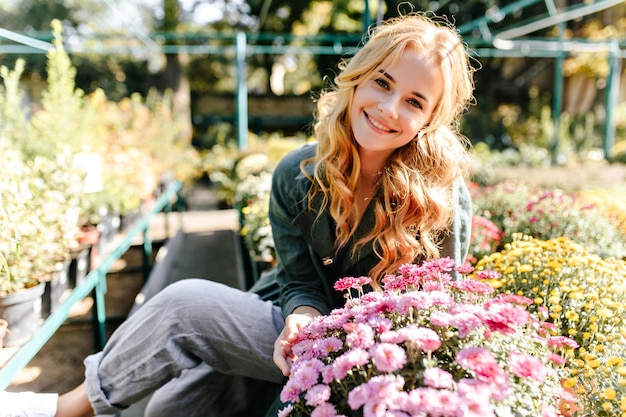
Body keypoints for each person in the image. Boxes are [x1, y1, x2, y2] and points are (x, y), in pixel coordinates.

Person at [1, 11, 475, 417]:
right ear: (358, 78)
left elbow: (437, 310)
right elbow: (299, 282)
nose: (389, 108)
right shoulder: (298, 173)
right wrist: (302, 314)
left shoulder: (441, 195)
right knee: (171, 409)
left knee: (183, 307)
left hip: (378, 353)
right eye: (382, 82)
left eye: (414, 101)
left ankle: (69, 408)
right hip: (302, 329)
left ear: (432, 117)